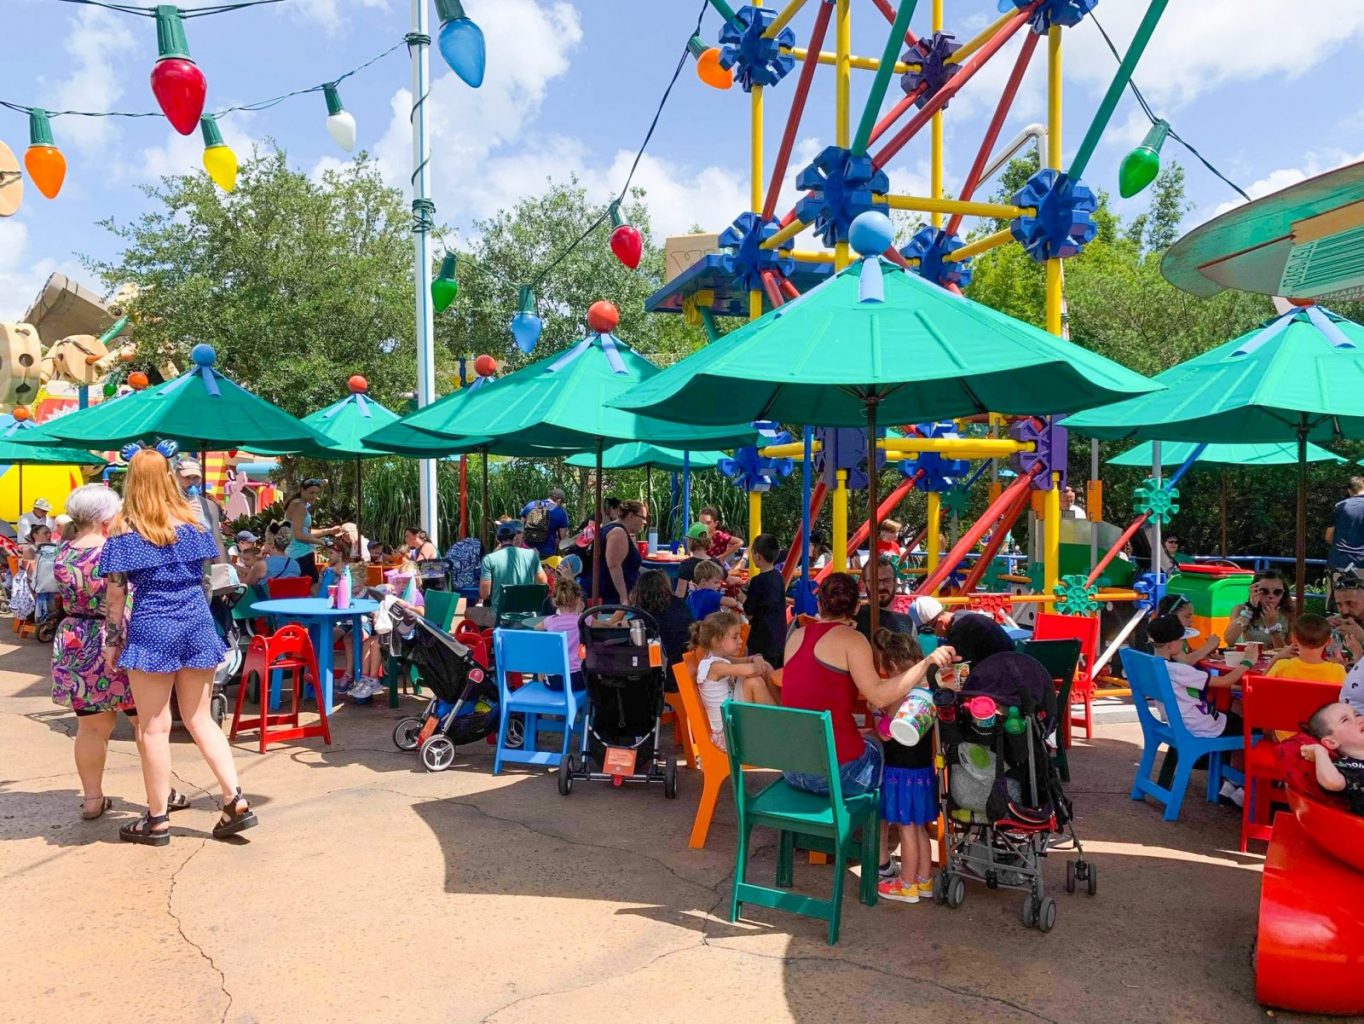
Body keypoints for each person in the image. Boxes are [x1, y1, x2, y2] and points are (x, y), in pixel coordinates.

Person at [100, 447, 256, 846]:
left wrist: (112, 641)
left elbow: (116, 595)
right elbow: (210, 574)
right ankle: (234, 799)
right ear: (169, 475)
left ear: (131, 480)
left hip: (153, 623)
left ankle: (156, 820)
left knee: (154, 728)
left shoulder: (125, 529)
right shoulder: (191, 521)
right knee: (200, 718)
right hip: (197, 622)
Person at [782, 573, 956, 797]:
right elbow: (879, 697)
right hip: (835, 775)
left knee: (866, 733)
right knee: (881, 742)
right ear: (856, 607)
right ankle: (899, 817)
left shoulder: (796, 635)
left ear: (819, 604)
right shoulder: (852, 640)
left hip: (793, 769)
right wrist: (925, 664)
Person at [51, 485, 146, 821]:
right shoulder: (115, 552)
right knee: (145, 723)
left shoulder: (63, 552)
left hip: (76, 639)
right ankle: (160, 796)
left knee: (90, 728)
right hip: (118, 639)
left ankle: (92, 799)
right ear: (108, 517)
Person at [872, 629, 943, 904]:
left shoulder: (897, 695)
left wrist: (877, 713)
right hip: (923, 771)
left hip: (900, 773)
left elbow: (886, 733)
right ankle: (924, 879)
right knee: (920, 828)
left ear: (890, 666)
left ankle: (906, 884)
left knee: (905, 828)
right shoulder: (925, 690)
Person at [1149, 613, 1247, 739]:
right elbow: (1225, 682)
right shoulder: (1178, 670)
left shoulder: (1149, 664)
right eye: (1181, 639)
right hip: (1201, 728)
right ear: (1172, 645)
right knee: (1249, 727)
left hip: (1177, 723)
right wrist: (1248, 662)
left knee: (1231, 716)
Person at [691, 610, 776, 750]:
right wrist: (757, 662)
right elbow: (752, 670)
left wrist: (756, 658)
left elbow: (750, 661)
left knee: (764, 667)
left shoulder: (721, 659)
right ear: (717, 641)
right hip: (728, 734)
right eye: (735, 637)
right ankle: (780, 723)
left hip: (732, 721)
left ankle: (782, 715)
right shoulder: (715, 667)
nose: (741, 641)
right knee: (753, 682)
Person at [472, 519, 545, 627]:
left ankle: (487, 642)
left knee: (469, 612)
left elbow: (484, 594)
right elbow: (543, 582)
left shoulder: (489, 559)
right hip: (528, 616)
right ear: (515, 538)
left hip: (500, 617)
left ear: (497, 539)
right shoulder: (532, 554)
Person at [908, 596, 1014, 667]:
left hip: (1003, 674)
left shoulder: (961, 631)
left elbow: (958, 670)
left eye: (930, 631)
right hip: (1010, 664)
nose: (934, 635)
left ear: (940, 623)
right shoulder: (962, 615)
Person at [1300, 702, 1364, 815]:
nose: (1359, 719)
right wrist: (1320, 752)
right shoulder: (1346, 766)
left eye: (1357, 714)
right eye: (1345, 720)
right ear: (1330, 742)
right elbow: (1332, 782)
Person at [631, 569, 693, 677]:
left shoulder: (645, 617)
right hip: (685, 668)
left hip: (660, 674)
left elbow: (628, 626)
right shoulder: (679, 606)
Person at [590, 499, 647, 606]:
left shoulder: (612, 528)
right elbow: (614, 566)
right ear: (631, 515)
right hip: (612, 597)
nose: (645, 522)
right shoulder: (618, 532)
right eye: (643, 518)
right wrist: (624, 597)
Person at [743, 533, 788, 668]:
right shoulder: (779, 577)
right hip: (778, 636)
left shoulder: (757, 582)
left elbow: (749, 611)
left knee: (761, 674)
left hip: (761, 639)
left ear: (758, 556)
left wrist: (740, 596)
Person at [284, 478, 341, 584]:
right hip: (300, 555)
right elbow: (299, 535)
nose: (314, 496)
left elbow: (305, 532)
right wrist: (322, 542)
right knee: (313, 588)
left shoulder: (298, 503)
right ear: (302, 490)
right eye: (311, 492)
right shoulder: (299, 506)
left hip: (299, 554)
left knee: (310, 587)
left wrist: (328, 531)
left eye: (316, 493)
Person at [536, 578, 587, 691]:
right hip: (580, 679)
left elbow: (536, 628)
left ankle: (541, 696)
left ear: (555, 602)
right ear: (578, 599)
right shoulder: (584, 619)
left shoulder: (550, 621)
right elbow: (606, 625)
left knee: (542, 654)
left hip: (556, 681)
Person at [1265, 614, 1347, 684]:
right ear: (1328, 642)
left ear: (1294, 638)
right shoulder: (1338, 671)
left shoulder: (1282, 666)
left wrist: (1276, 657)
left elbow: (1260, 686)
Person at [1224, 570, 1296, 649]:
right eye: (1264, 591)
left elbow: (1290, 651)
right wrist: (1250, 609)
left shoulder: (1289, 613)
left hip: (1276, 660)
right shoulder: (1240, 610)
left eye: (1277, 592)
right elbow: (1229, 640)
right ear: (1255, 591)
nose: (1271, 596)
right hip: (1249, 658)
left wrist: (1273, 627)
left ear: (1283, 594)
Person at [174, 458, 228, 563]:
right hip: (177, 568)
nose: (191, 482)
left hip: (204, 569)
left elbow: (217, 541)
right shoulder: (167, 504)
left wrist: (224, 568)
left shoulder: (209, 506)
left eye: (196, 478)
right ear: (175, 477)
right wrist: (184, 516)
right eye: (187, 477)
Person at [855, 555, 914, 639]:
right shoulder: (853, 621)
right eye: (874, 581)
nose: (881, 587)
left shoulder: (907, 622)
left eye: (887, 581)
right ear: (863, 586)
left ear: (896, 584)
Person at [1328, 572, 1364, 710]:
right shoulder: (1336, 623)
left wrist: (1362, 638)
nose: (1344, 610)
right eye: (1339, 605)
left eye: (1350, 603)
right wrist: (1320, 633)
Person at [1154, 593, 1219, 664]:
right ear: (1171, 616)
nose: (1191, 620)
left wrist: (1207, 651)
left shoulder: (1178, 633)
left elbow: (1186, 655)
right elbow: (1186, 661)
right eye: (1187, 617)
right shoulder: (1166, 635)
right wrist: (1209, 645)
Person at [1325, 477, 1364, 577]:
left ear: (1349, 490)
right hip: (1362, 563)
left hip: (1338, 562)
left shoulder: (1339, 506)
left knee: (1336, 592)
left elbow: (1328, 537)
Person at [521, 488, 571, 560]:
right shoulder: (561, 513)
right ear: (559, 500)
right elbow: (563, 538)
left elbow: (520, 526)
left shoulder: (531, 505)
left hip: (526, 549)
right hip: (546, 552)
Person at [674, 523, 715, 598]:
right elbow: (729, 580)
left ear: (690, 541)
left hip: (692, 606)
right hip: (713, 605)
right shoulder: (715, 562)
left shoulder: (686, 564)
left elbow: (680, 592)